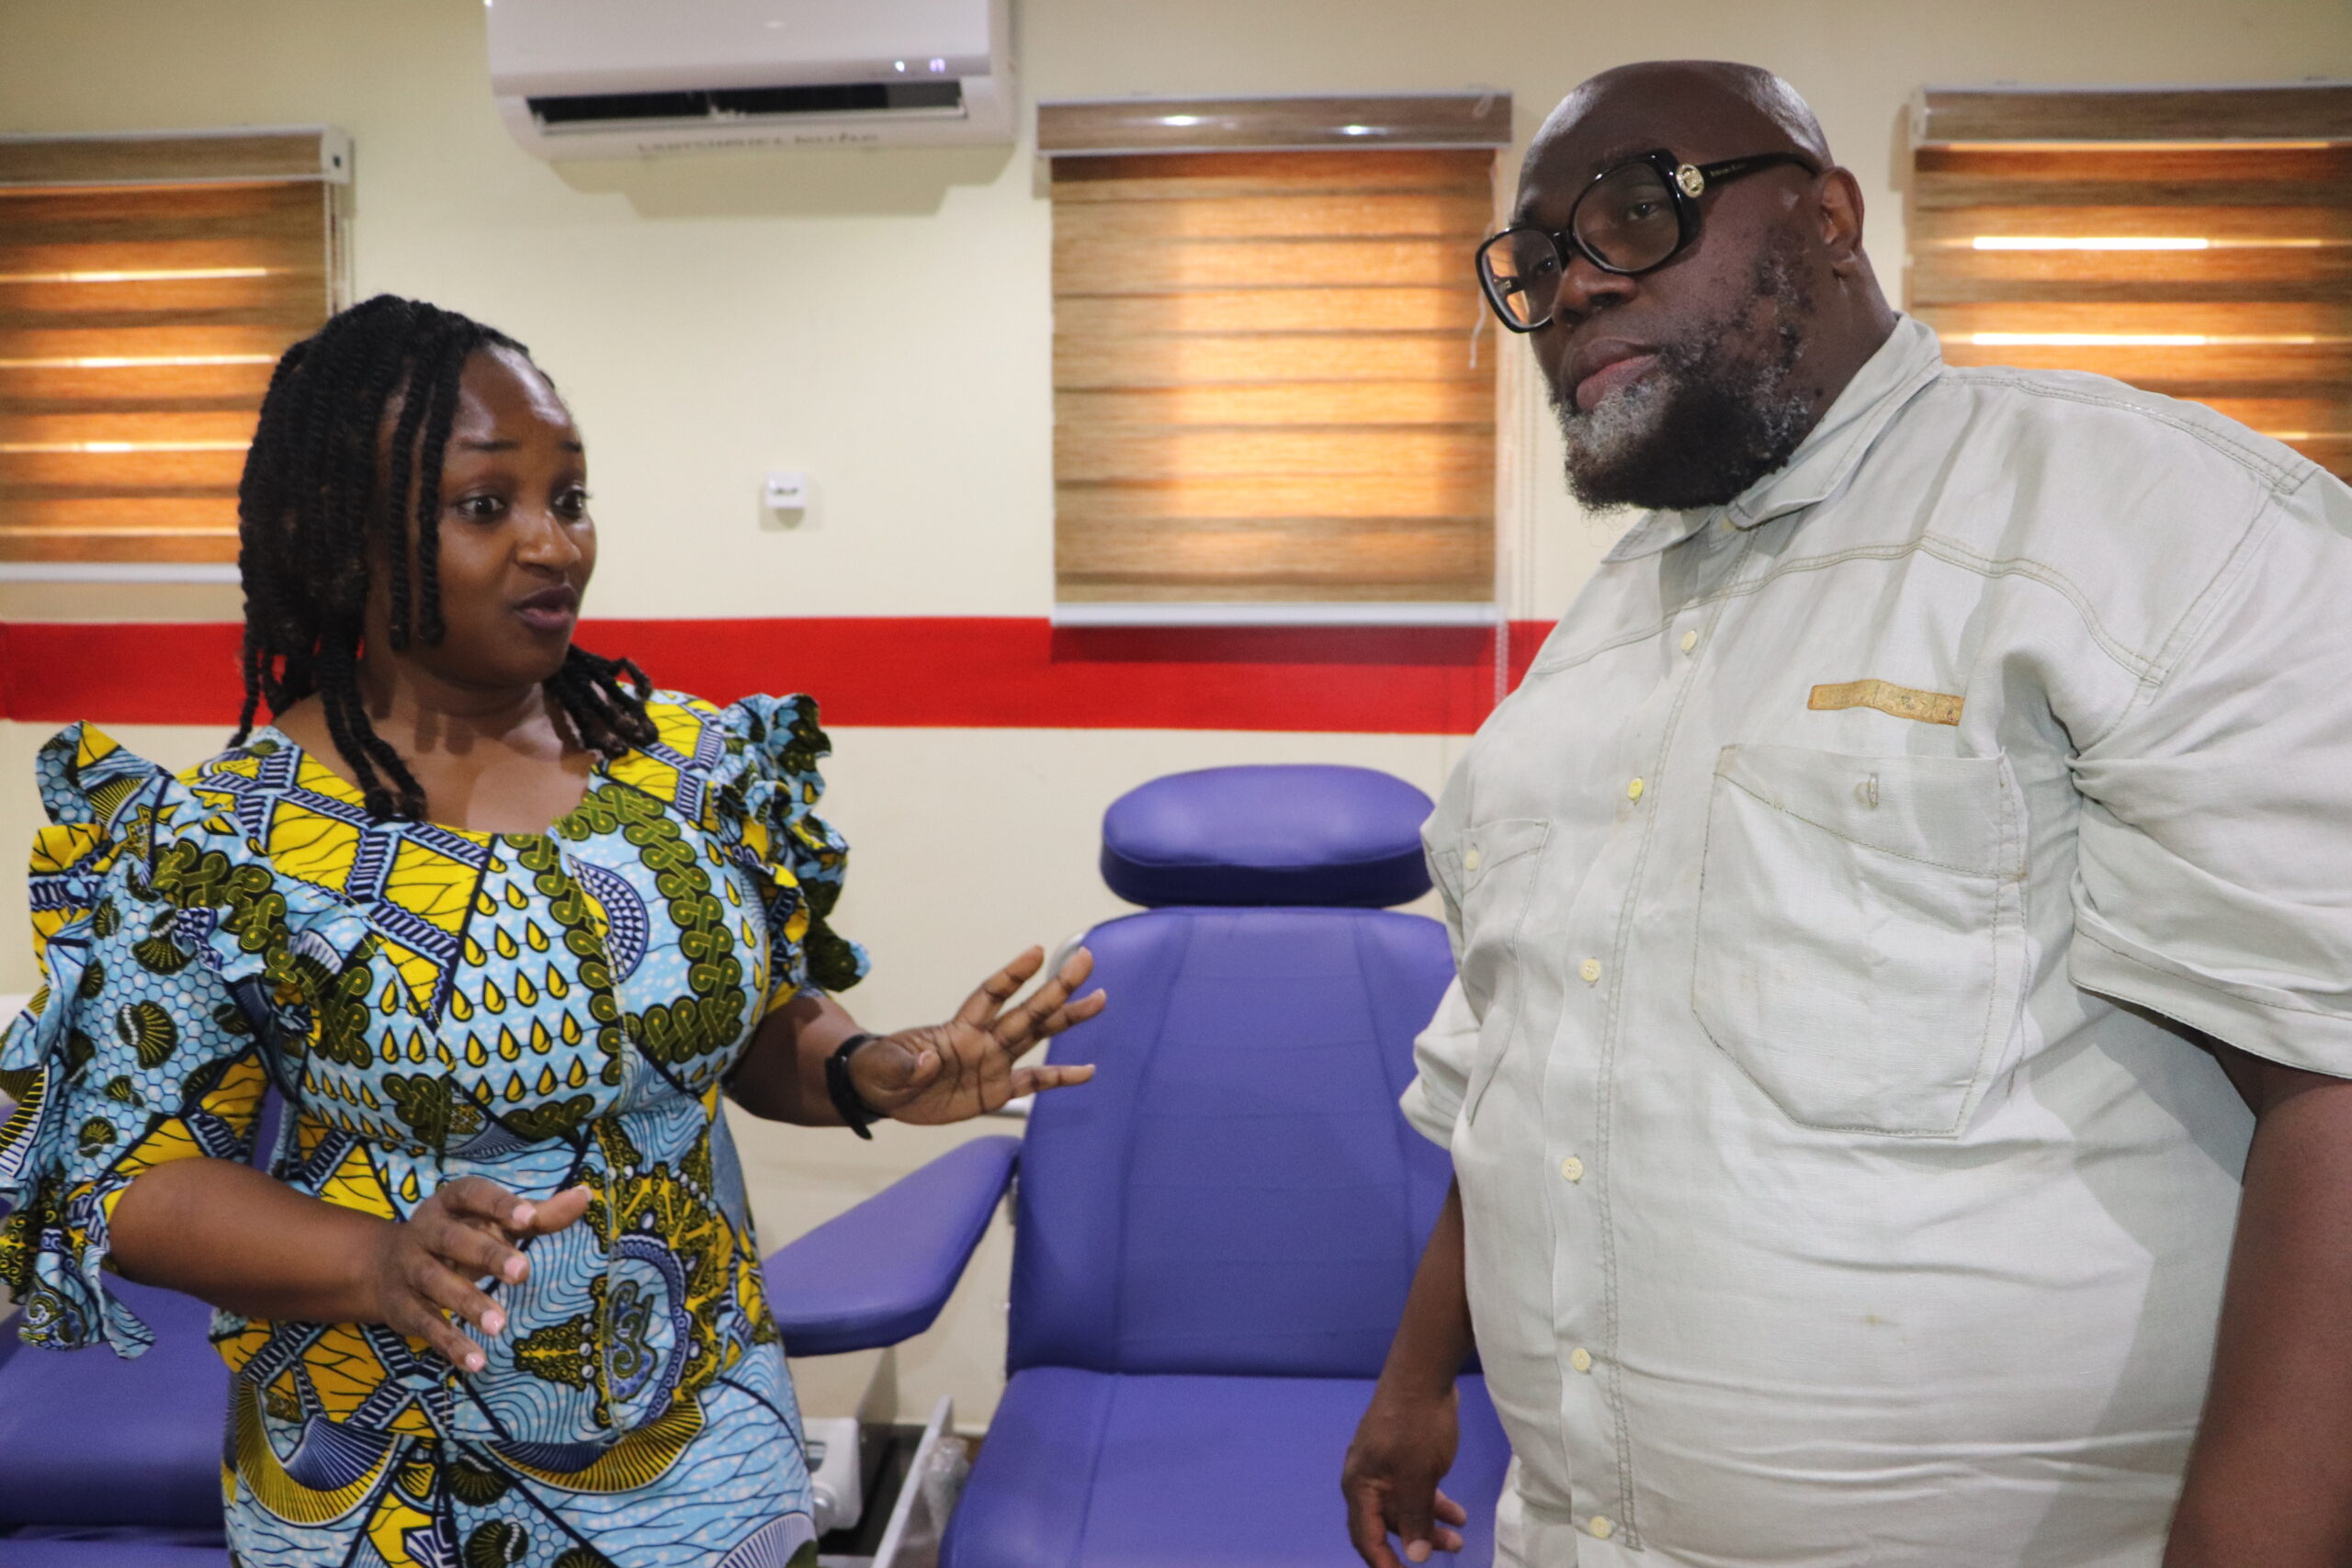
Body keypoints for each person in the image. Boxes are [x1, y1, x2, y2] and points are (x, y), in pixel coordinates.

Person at [1342, 60, 2352, 1568]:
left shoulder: (2143, 525)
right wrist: (1420, 1377)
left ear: (1826, 217)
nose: (1571, 293)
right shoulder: (1594, 650)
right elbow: (1528, 1056)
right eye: (1538, 263)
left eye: (1633, 215)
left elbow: (2331, 1074)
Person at [0, 296, 1102, 1567]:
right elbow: (130, 1177)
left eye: (568, 499)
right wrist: (372, 1260)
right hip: (397, 1489)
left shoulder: (687, 769)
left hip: (709, 1454)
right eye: (486, 506)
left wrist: (863, 1070)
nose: (552, 545)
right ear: (347, 534)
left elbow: (742, 1036)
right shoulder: (218, 840)